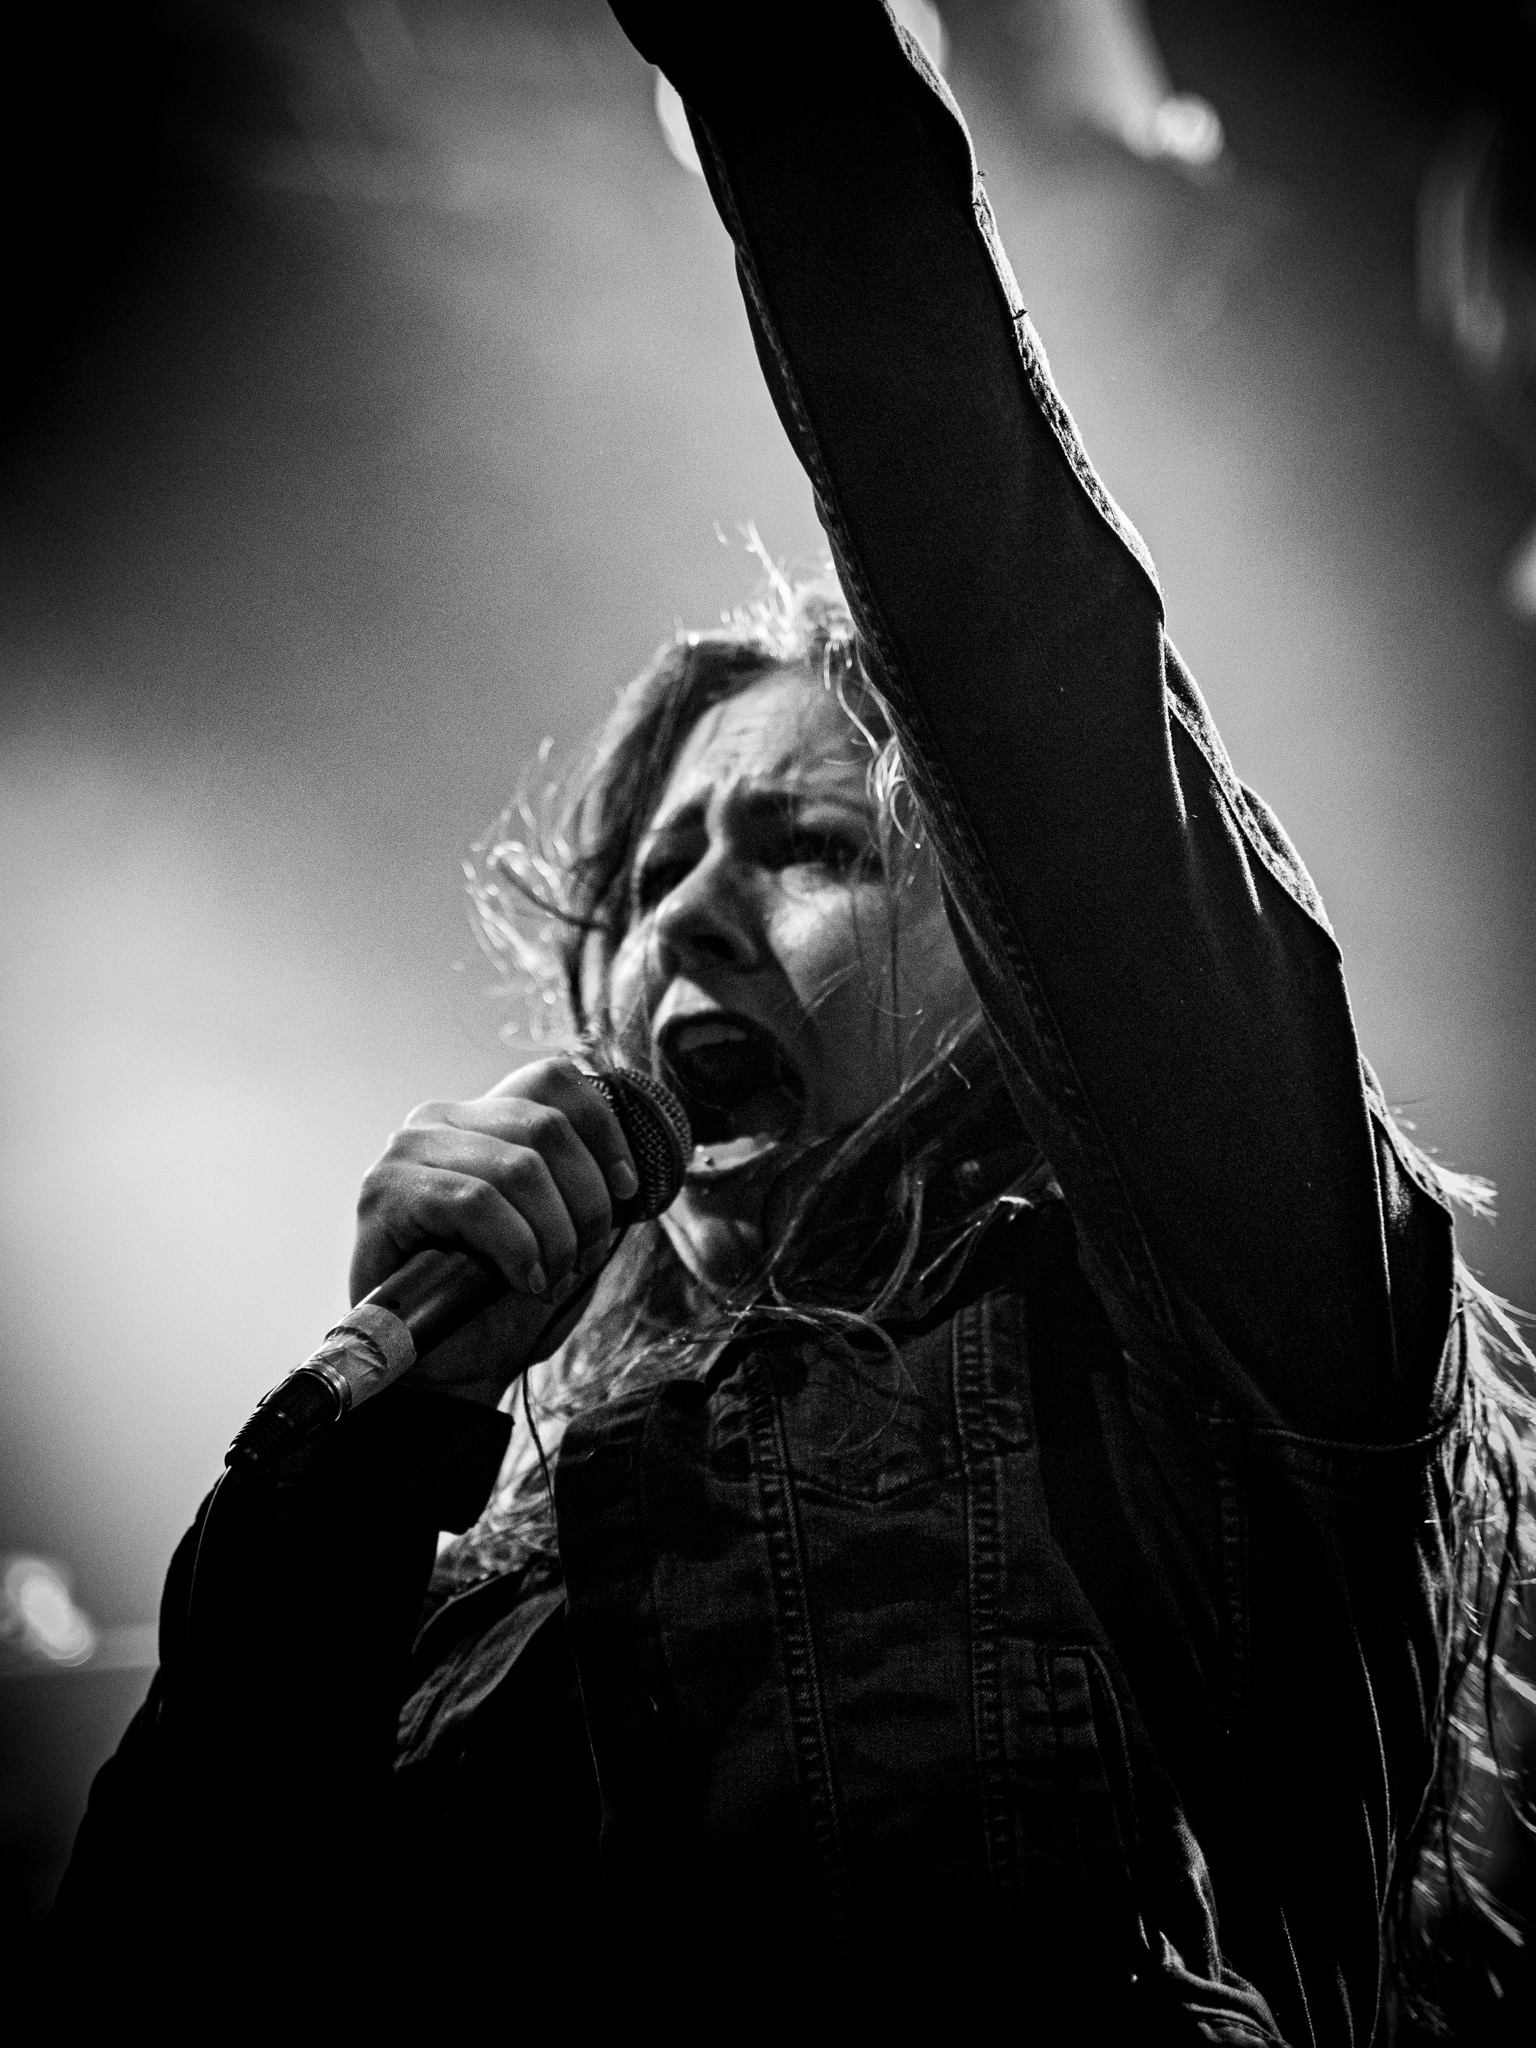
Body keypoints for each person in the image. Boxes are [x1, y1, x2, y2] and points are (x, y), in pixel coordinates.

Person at [47, 8, 1532, 2039]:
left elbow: (1018, 639)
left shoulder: (1206, 1334)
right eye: (651, 876)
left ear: (1011, 948)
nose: (685, 918)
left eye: (806, 845)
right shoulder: (473, 1578)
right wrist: (370, 1449)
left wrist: (785, 63)